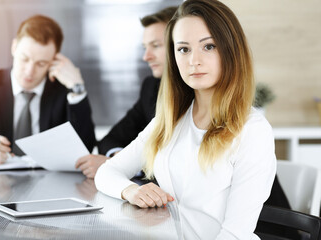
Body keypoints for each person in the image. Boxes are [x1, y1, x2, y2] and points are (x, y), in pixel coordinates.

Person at [95, 0, 277, 239]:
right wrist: (130, 191)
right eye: (183, 49)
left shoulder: (252, 130)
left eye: (208, 46)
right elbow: (106, 172)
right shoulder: (171, 120)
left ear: (231, 51)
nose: (194, 61)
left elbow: (235, 234)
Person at [0, 15, 96, 165]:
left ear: (54, 60)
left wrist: (77, 87)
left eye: (41, 63)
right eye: (24, 59)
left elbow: (85, 149)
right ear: (14, 47)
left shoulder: (64, 90)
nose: (29, 71)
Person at [75, 6, 177, 179]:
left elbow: (176, 163)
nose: (146, 56)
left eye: (156, 46)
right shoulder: (151, 86)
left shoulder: (199, 94)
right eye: (145, 47)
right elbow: (111, 139)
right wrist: (117, 160)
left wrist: (120, 166)